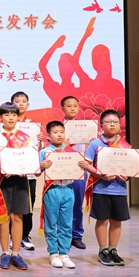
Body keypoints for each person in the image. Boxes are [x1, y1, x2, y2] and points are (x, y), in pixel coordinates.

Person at [0, 102, 31, 270]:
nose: (11, 118)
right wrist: (1, 168)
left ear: (18, 117)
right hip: (2, 181)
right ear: (0, 117)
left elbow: (29, 158)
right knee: (4, 217)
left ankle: (16, 254)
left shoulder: (25, 137)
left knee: (18, 217)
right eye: (7, 114)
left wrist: (26, 168)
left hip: (20, 181)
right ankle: (5, 253)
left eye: (14, 114)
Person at [82, 110, 130, 266]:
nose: (112, 125)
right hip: (101, 189)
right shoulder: (95, 144)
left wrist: (127, 176)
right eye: (108, 122)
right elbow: (86, 164)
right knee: (102, 220)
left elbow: (130, 166)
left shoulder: (124, 145)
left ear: (120, 125)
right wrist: (99, 174)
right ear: (101, 125)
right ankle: (103, 250)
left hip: (120, 189)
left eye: (115, 122)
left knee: (117, 221)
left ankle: (113, 249)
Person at [39, 121, 77, 269]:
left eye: (62, 132)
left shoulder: (71, 151)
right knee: (51, 223)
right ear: (48, 135)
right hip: (52, 189)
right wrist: (42, 165)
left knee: (66, 223)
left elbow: (78, 169)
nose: (59, 135)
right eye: (55, 132)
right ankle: (53, 253)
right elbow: (36, 172)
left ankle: (64, 253)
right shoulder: (44, 152)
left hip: (68, 189)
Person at [11, 91, 43, 251]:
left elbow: (37, 150)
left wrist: (40, 142)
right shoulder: (8, 124)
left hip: (29, 172)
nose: (20, 104)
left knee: (28, 205)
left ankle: (25, 235)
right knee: (13, 206)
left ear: (28, 105)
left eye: (23, 101)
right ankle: (12, 235)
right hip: (12, 172)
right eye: (17, 101)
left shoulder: (33, 126)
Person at [61, 95, 89, 250]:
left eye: (75, 106)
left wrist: (91, 143)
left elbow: (90, 150)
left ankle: (76, 235)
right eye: (69, 106)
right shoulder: (57, 127)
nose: (72, 108)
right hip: (61, 169)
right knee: (61, 204)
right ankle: (62, 235)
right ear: (62, 109)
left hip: (79, 168)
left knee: (77, 203)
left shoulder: (86, 127)